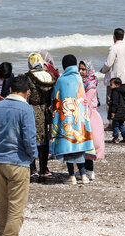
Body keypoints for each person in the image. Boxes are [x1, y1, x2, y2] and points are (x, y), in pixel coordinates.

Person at [0, 74, 38, 236]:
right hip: (19, 162)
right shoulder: (27, 110)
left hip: (0, 161)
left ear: (10, 89)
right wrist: (32, 156)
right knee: (16, 208)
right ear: (27, 92)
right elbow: (29, 139)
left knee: (3, 206)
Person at [51, 55, 94, 185]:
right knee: (79, 147)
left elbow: (55, 98)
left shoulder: (61, 80)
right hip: (79, 117)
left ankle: (71, 176)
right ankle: (83, 175)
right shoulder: (79, 78)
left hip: (66, 117)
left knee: (68, 146)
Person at [25, 52, 57, 179]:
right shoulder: (49, 76)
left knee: (31, 139)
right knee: (44, 140)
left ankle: (32, 169)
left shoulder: (28, 77)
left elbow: (26, 96)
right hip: (45, 110)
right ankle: (43, 169)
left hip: (31, 109)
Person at [100, 28, 125, 130]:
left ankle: (112, 123)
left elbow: (109, 64)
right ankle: (123, 121)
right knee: (123, 100)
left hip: (114, 78)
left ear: (114, 36)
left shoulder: (113, 48)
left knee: (111, 100)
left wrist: (102, 70)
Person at [78, 60, 105, 180]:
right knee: (86, 145)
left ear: (88, 70)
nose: (81, 71)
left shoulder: (90, 85)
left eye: (83, 69)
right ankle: (86, 170)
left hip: (89, 116)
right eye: (80, 69)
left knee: (89, 144)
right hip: (86, 114)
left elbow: (85, 102)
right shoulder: (84, 83)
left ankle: (88, 171)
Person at [109, 77, 125, 143]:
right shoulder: (123, 92)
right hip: (123, 111)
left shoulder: (115, 91)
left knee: (115, 125)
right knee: (121, 124)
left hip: (117, 111)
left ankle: (116, 138)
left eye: (111, 85)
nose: (110, 86)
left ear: (116, 85)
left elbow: (114, 103)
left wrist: (113, 111)